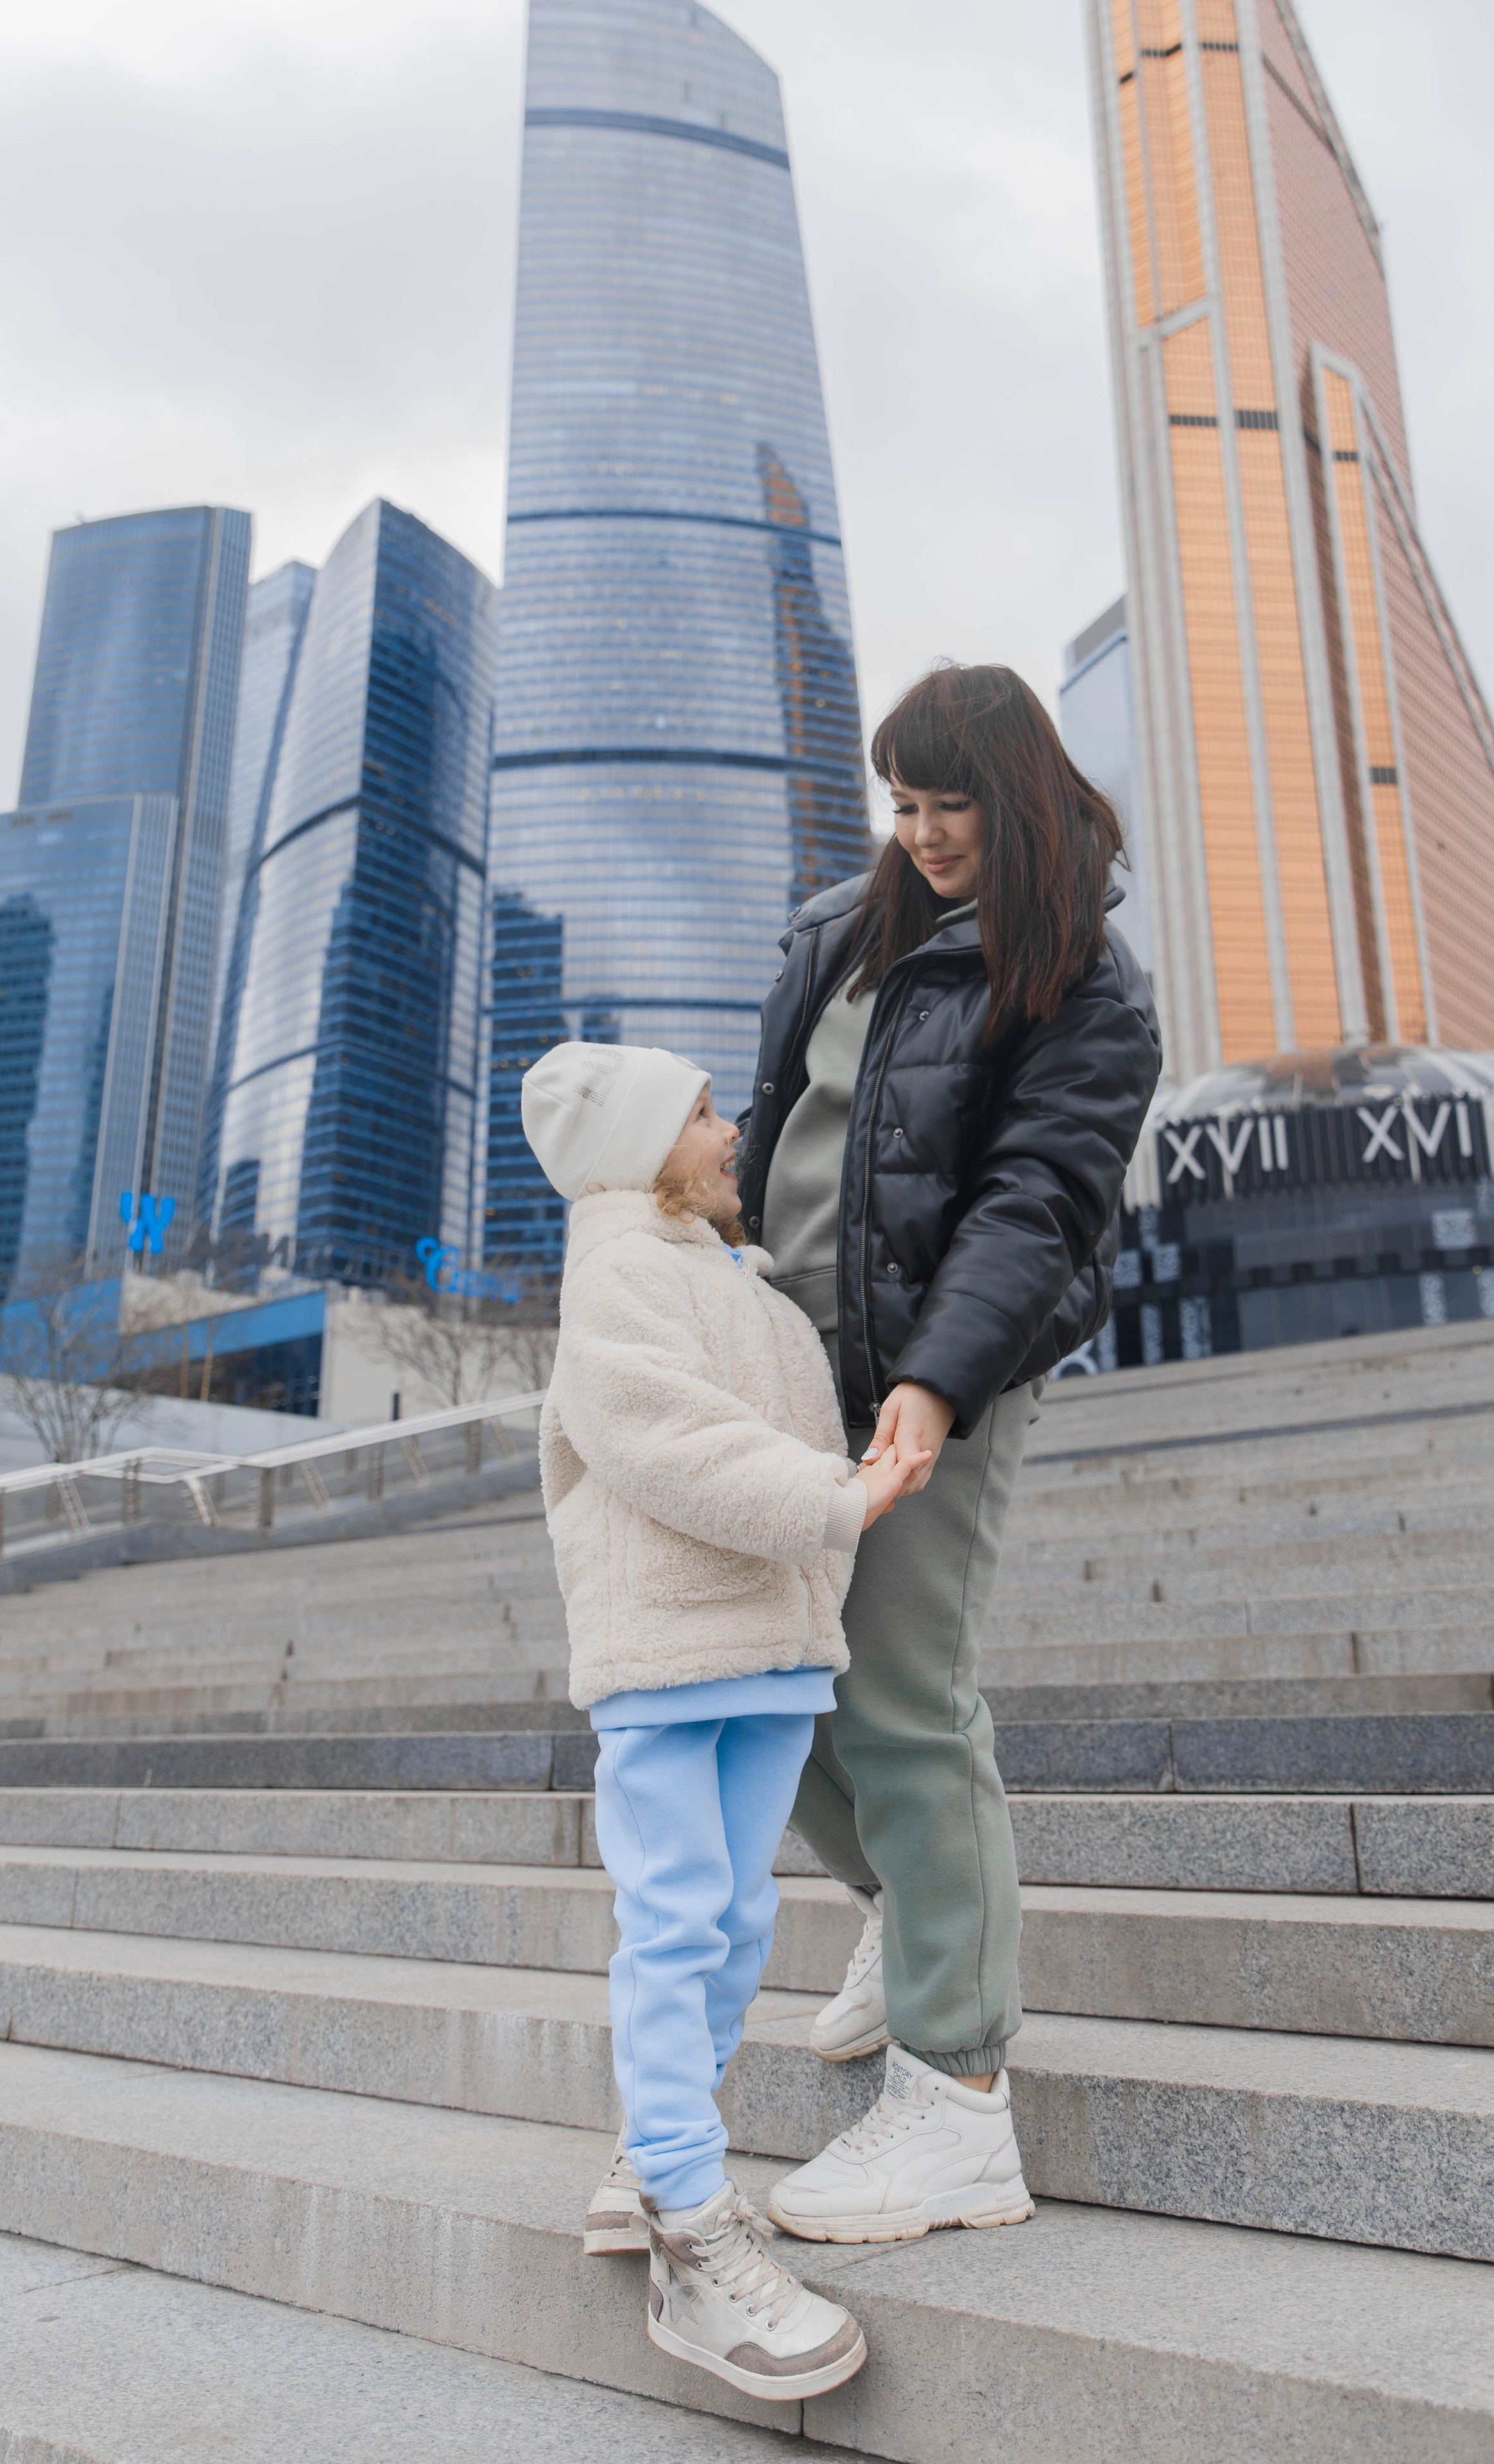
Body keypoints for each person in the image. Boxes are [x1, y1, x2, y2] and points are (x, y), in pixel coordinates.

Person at [739, 661, 1162, 2244]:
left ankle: (957, 2106)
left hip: (942, 1385)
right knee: (763, 1692)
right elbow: (774, 1141)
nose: (915, 831)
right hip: (775, 1375)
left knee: (901, 1707)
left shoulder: (1081, 981)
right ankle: (906, 1917)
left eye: (945, 802)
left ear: (1016, 792)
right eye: (898, 802)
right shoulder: (840, 936)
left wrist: (931, 1382)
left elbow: (1037, 1202)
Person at [519, 1038, 934, 2402]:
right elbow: (659, 1434)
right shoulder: (620, 1270)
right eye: (700, 1113)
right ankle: (693, 2232)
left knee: (736, 1917)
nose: (727, 1129)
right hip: (669, 1650)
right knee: (681, 1913)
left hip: (764, 1647)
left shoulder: (727, 1273)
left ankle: (654, 2155)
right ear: (641, 1146)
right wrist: (835, 1503)